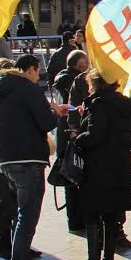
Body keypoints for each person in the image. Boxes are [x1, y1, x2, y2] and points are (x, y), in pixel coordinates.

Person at [0, 54, 67, 260]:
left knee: (19, 212)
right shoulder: (29, 89)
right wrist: (54, 112)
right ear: (32, 70)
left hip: (6, 158)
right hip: (28, 158)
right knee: (27, 214)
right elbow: (47, 123)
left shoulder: (1, 91)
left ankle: (20, 258)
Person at [70, 69, 131, 260]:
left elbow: (95, 135)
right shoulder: (124, 102)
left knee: (92, 215)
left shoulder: (99, 104)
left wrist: (77, 137)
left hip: (99, 168)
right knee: (111, 216)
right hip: (120, 166)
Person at [53, 51, 90, 232]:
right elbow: (76, 111)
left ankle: (74, 221)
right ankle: (77, 220)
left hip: (64, 136)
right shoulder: (75, 81)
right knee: (76, 180)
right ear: (80, 65)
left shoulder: (61, 79)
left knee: (70, 179)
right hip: (73, 136)